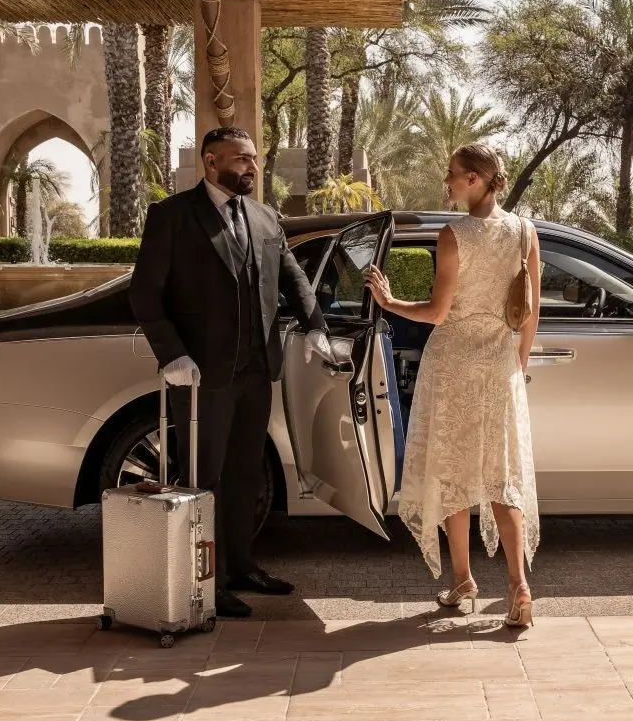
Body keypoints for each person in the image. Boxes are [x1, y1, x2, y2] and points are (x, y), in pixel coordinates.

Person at [129, 126, 334, 619]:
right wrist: (171, 354)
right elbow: (145, 293)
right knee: (204, 477)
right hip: (200, 375)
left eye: (254, 159)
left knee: (246, 475)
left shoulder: (265, 217)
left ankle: (241, 567)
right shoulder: (172, 217)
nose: (252, 167)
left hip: (255, 369)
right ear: (210, 161)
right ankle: (206, 580)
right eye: (242, 159)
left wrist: (316, 328)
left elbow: (293, 278)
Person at [364, 143, 541, 628]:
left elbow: (438, 313)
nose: (448, 181)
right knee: (501, 476)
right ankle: (517, 587)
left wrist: (391, 301)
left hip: (454, 362)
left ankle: (463, 578)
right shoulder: (526, 231)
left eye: (454, 174)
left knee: (453, 473)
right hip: (500, 364)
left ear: (476, 180)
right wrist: (516, 368)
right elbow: (530, 314)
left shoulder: (453, 235)